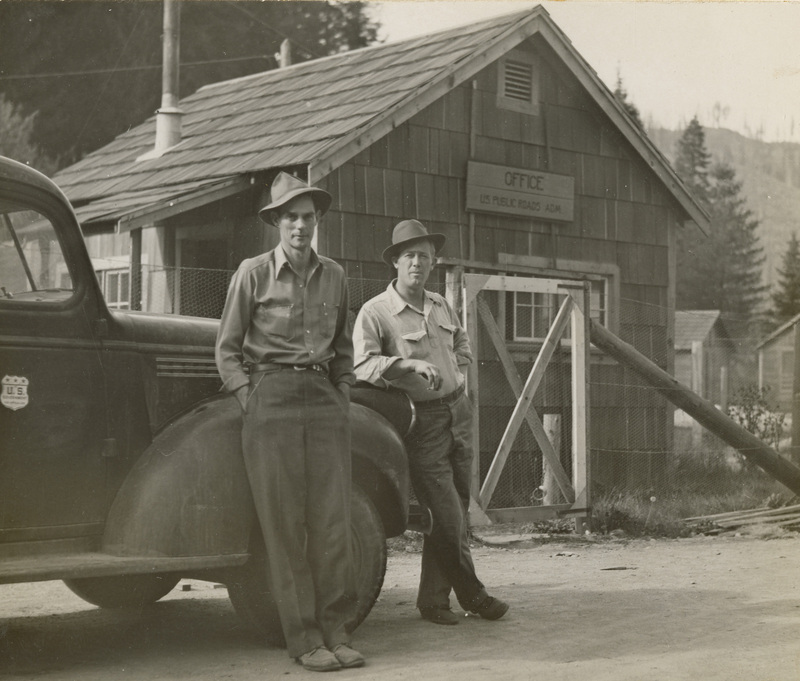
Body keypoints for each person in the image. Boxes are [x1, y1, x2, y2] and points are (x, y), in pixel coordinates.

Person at [215, 172, 363, 672]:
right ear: (276, 222)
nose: (300, 226)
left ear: (317, 221)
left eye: (308, 217)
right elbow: (227, 350)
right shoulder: (252, 273)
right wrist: (248, 398)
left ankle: (337, 632)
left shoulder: (336, 276)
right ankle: (303, 640)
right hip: (270, 399)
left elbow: (343, 349)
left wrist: (340, 394)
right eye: (291, 217)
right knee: (284, 526)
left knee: (332, 523)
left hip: (323, 398)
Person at [352, 219, 509, 626]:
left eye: (424, 256)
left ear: (433, 262)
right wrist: (408, 364)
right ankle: (474, 596)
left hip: (459, 412)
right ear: (395, 263)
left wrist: (457, 368)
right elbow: (362, 366)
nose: (417, 263)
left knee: (454, 509)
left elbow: (461, 342)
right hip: (422, 422)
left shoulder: (440, 303)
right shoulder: (376, 312)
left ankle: (435, 602)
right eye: (409, 256)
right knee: (448, 514)